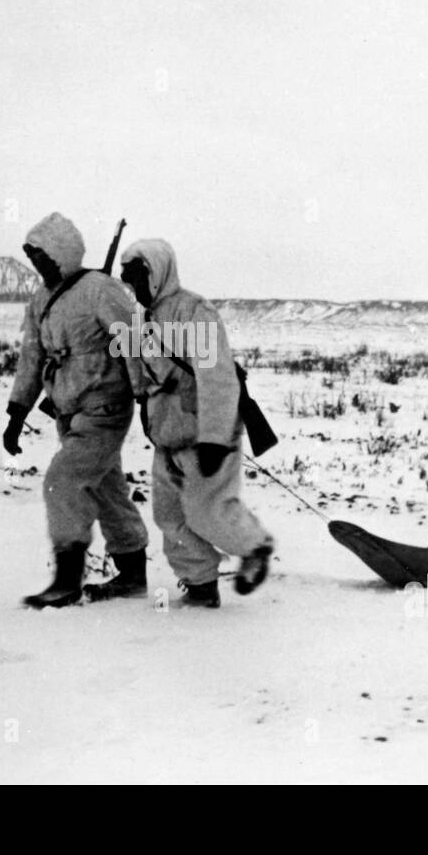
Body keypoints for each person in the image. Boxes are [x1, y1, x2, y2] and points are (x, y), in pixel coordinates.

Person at [113, 238, 274, 608]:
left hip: (204, 432)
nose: (132, 285)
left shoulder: (193, 311)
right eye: (127, 279)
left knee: (207, 512)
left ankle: (255, 547)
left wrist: (215, 439)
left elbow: (217, 378)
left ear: (157, 273)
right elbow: (140, 374)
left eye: (137, 276)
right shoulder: (143, 319)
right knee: (169, 518)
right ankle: (200, 585)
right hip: (167, 434)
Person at [3, 212, 149, 608]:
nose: (39, 266)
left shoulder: (101, 290)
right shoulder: (41, 300)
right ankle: (133, 574)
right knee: (106, 489)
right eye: (34, 259)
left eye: (45, 257)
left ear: (63, 253)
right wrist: (17, 414)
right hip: (69, 410)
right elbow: (32, 357)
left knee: (62, 481)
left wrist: (146, 397)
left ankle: (67, 580)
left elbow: (132, 343)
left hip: (106, 406)